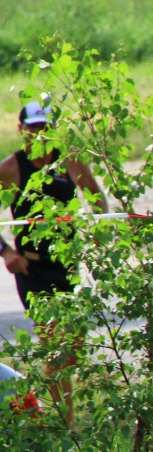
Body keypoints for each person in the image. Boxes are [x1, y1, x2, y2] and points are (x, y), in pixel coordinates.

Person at [0, 101, 109, 424]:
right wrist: (6, 252)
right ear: (21, 129)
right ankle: (65, 426)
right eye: (33, 127)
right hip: (32, 269)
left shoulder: (69, 161)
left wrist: (99, 230)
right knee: (56, 347)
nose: (40, 134)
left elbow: (95, 196)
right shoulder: (12, 168)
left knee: (72, 350)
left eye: (45, 127)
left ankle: (48, 410)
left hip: (67, 265)